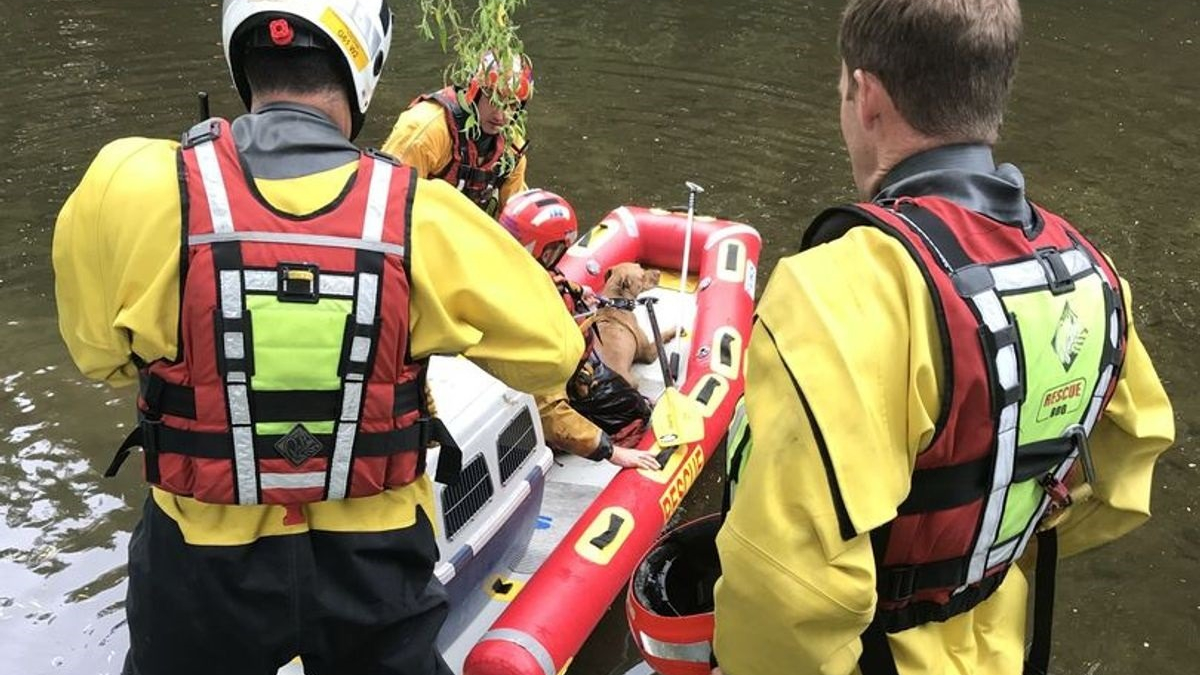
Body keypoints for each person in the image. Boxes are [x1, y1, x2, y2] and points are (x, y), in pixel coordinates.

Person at [52, 2, 583, 674]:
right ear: (365, 64)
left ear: (240, 53)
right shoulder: (425, 214)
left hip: (197, 566)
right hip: (373, 570)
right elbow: (554, 353)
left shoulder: (127, 185)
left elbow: (97, 356)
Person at [710, 1, 1175, 674]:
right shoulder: (1095, 279)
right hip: (999, 644)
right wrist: (986, 548)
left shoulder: (832, 289)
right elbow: (1125, 476)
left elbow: (785, 590)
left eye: (842, 89)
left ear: (868, 98)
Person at [499, 188, 661, 471]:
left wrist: (577, 292)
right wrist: (611, 452)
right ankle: (555, 446)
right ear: (549, 250)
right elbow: (547, 403)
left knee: (617, 390)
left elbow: (553, 281)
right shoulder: (530, 309)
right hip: (547, 388)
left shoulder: (506, 268)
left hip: (565, 369)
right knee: (634, 412)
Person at [381, 50, 532, 217]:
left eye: (511, 104)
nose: (499, 115)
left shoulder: (512, 151)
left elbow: (516, 220)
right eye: (492, 100)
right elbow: (386, 203)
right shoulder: (425, 130)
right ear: (474, 92)